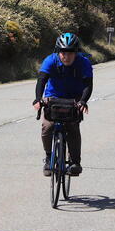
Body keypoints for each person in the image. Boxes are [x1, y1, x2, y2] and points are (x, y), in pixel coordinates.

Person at [33, 32, 92, 176]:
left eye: (71, 53)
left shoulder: (83, 62)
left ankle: (75, 162)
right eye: (63, 53)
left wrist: (83, 101)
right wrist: (38, 98)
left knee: (72, 127)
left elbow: (88, 85)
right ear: (58, 52)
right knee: (47, 126)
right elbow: (41, 80)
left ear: (76, 53)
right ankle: (48, 158)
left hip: (74, 99)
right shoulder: (50, 60)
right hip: (53, 97)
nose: (66, 56)